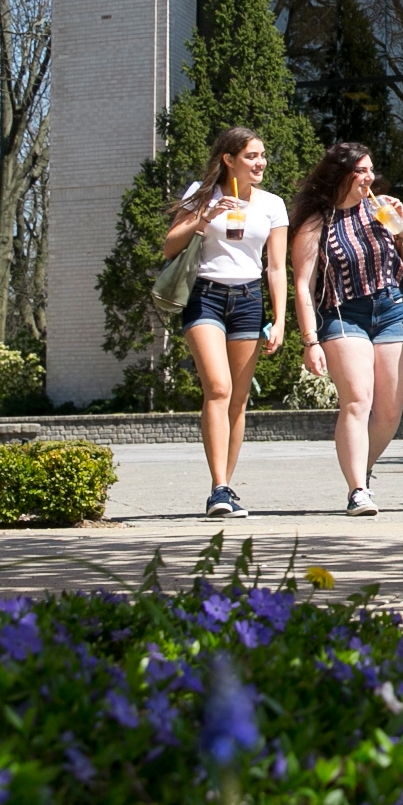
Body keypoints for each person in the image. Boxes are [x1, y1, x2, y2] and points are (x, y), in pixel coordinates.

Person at [288, 142, 403, 517]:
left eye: (371, 170)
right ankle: (358, 491)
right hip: (343, 314)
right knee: (357, 400)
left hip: (393, 309)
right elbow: (302, 285)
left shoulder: (381, 209)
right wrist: (309, 339)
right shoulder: (317, 221)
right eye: (361, 171)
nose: (369, 177)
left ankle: (360, 466)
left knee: (389, 413)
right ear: (341, 174)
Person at [163, 126, 288, 520]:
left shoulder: (272, 205)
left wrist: (281, 320)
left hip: (249, 299)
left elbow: (277, 267)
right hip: (205, 296)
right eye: (251, 156)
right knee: (217, 387)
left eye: (262, 155)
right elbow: (169, 245)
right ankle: (218, 486)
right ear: (228, 160)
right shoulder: (202, 193)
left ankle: (227, 487)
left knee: (238, 398)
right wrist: (203, 216)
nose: (260, 162)